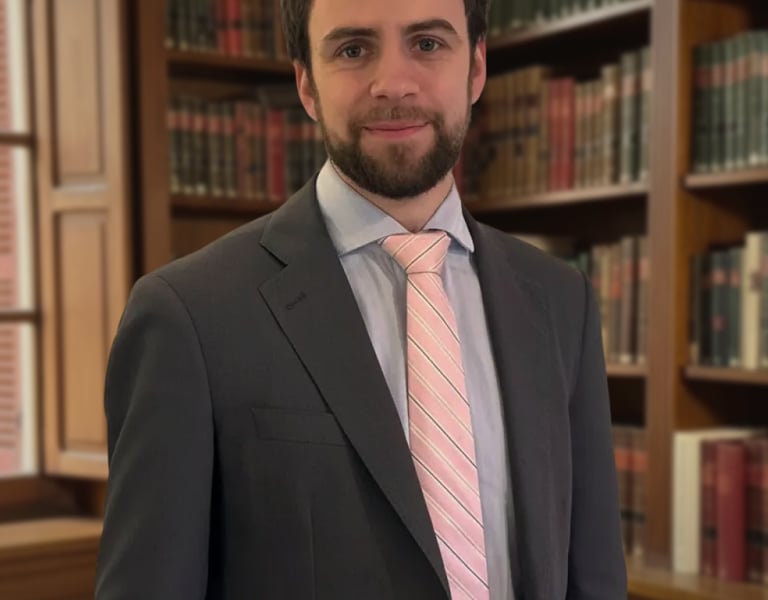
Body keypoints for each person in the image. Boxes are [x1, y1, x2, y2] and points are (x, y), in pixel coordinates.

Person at [94, 0, 627, 597]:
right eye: (353, 49)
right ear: (306, 84)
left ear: (476, 67)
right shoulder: (186, 315)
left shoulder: (560, 301)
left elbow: (594, 576)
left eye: (427, 43)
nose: (392, 83)